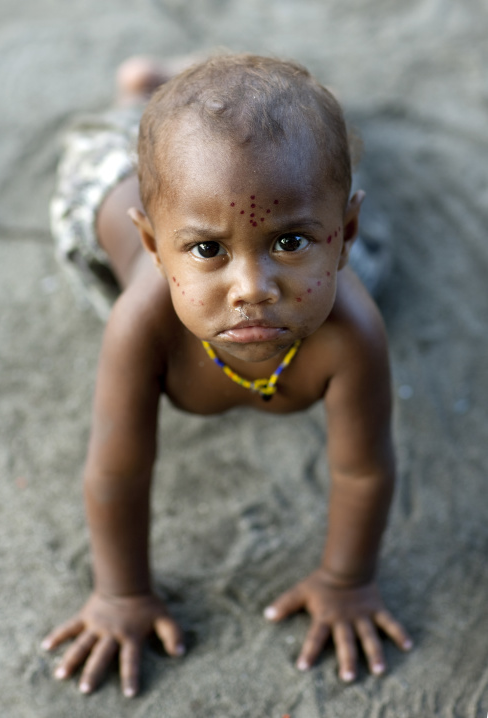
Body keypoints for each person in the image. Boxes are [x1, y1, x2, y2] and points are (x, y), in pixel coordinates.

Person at [43, 53, 412, 698]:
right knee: (124, 144)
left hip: (266, 208)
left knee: (322, 166)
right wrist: (121, 593)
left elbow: (364, 469)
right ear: (157, 249)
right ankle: (143, 90)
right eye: (208, 251)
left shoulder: (351, 332)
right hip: (109, 192)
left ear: (343, 231)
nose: (252, 289)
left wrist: (346, 580)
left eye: (291, 242)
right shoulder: (141, 326)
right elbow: (117, 471)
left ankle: (246, 95)